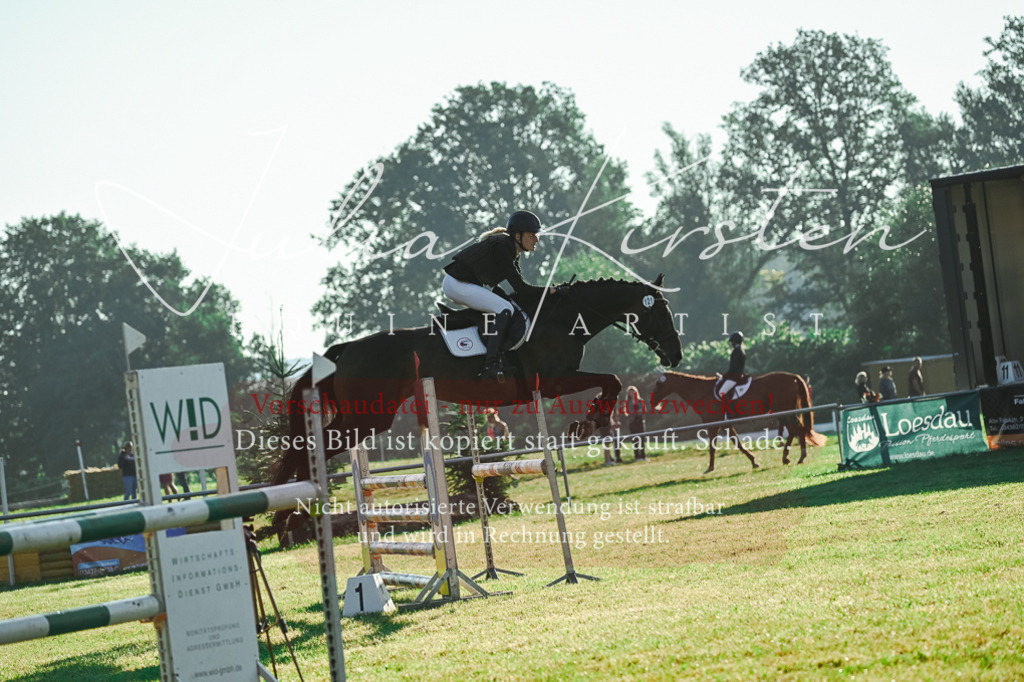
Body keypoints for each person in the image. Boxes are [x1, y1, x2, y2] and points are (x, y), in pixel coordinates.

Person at [442, 210, 555, 382]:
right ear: (518, 236)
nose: (536, 240)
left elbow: (519, 290)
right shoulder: (503, 247)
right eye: (532, 235)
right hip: (457, 284)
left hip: (462, 284)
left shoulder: (510, 249)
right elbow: (522, 288)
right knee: (505, 308)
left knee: (507, 305)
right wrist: (551, 291)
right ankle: (491, 364)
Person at [718, 331, 747, 411]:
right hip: (739, 375)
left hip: (734, 377)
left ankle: (731, 411)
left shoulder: (736, 351)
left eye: (732, 342)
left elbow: (733, 368)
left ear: (734, 341)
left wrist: (724, 376)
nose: (731, 344)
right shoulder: (742, 350)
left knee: (722, 392)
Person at [624, 385, 647, 461]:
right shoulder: (628, 402)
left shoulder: (641, 401)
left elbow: (644, 411)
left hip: (640, 421)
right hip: (633, 423)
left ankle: (643, 456)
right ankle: (637, 456)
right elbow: (629, 412)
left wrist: (635, 412)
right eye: (630, 392)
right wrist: (637, 412)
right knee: (635, 440)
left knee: (642, 439)